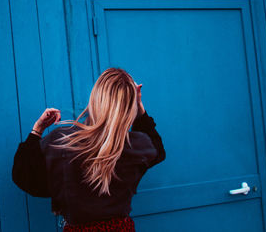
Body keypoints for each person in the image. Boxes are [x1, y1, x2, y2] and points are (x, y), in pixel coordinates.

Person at [12, 68, 166, 231]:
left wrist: (37, 130)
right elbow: (158, 150)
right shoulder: (137, 146)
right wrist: (140, 108)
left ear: (96, 99)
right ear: (130, 105)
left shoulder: (62, 141)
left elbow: (24, 177)